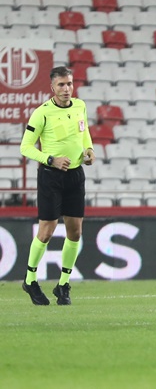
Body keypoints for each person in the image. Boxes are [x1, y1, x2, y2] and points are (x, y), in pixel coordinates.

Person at [19, 66, 96, 306]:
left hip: (75, 175)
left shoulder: (80, 106)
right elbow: (25, 147)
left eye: (69, 84)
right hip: (51, 176)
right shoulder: (42, 113)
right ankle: (30, 280)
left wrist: (89, 149)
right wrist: (50, 159)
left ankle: (63, 285)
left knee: (75, 232)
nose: (66, 89)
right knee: (47, 231)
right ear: (52, 87)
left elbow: (84, 131)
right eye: (61, 84)